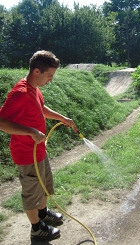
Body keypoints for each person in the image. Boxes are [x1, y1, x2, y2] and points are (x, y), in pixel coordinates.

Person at [0, 50, 78, 240]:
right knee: (31, 192)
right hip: (26, 153)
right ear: (37, 71)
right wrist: (31, 132)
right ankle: (37, 228)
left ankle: (43, 215)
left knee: (44, 185)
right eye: (49, 75)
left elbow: (41, 109)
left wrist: (63, 118)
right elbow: (1, 122)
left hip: (39, 150)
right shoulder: (19, 93)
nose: (50, 80)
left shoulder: (34, 89)